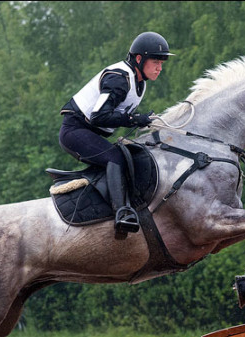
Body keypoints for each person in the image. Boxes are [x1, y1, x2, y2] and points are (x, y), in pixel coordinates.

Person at [59, 31, 174, 237]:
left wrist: (142, 121)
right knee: (115, 157)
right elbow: (98, 116)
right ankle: (121, 212)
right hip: (74, 131)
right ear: (139, 59)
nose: (160, 67)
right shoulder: (119, 78)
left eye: (162, 63)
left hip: (85, 132)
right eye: (156, 61)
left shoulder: (139, 82)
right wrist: (133, 120)